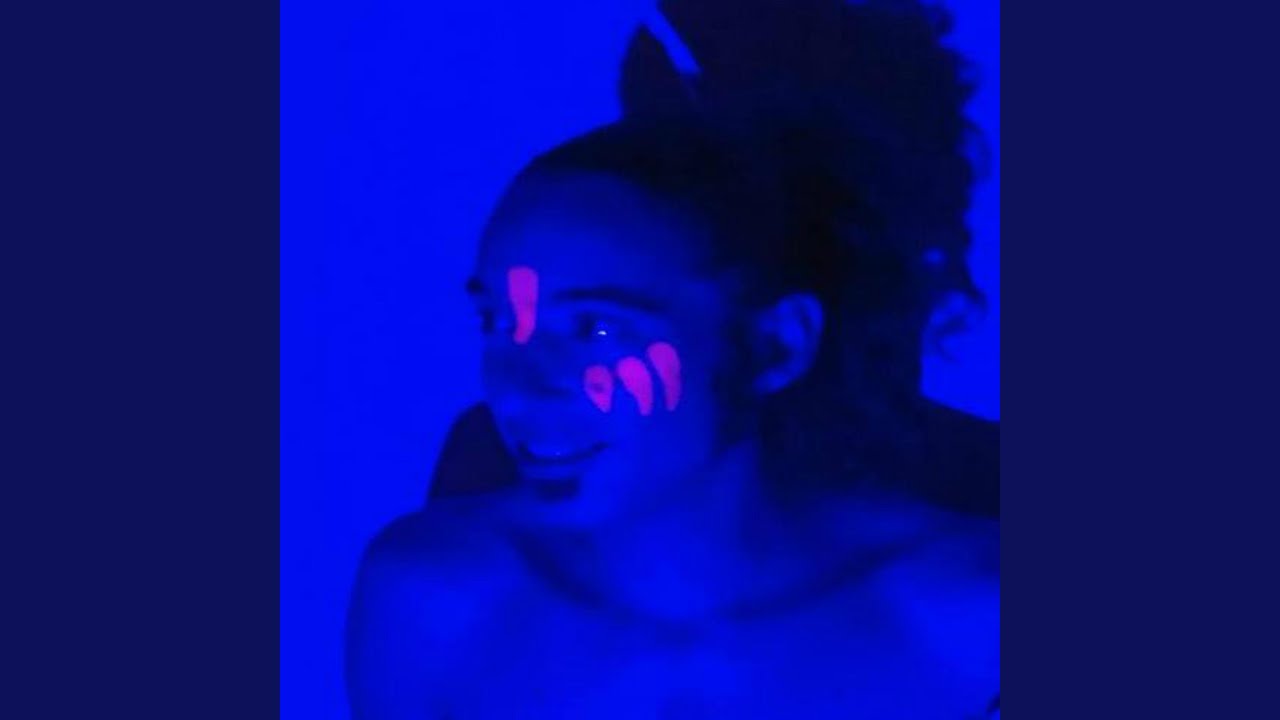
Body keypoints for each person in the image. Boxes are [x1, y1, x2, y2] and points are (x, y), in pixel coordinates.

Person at [347, 1, 998, 717]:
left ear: (779, 342)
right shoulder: (433, 600)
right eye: (496, 322)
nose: (515, 392)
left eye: (596, 329)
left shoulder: (968, 611)